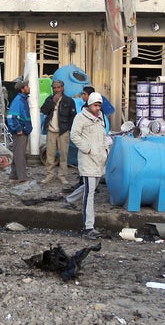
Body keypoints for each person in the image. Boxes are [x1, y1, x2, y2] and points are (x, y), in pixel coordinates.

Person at [70, 92, 108, 240]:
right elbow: (74, 136)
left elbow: (104, 136)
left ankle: (70, 200)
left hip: (99, 160)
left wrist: (106, 150)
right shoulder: (80, 118)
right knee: (90, 194)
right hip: (88, 160)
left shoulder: (100, 118)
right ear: (89, 104)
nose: (97, 108)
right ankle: (88, 227)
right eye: (95, 105)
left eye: (99, 105)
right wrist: (88, 149)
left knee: (89, 188)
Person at [40, 79, 76, 185]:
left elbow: (73, 116)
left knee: (64, 155)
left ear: (62, 88)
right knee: (50, 154)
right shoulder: (49, 99)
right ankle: (49, 174)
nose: (56, 89)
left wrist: (68, 129)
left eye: (58, 87)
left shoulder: (69, 101)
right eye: (54, 88)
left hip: (63, 131)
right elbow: (44, 110)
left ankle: (62, 175)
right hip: (51, 130)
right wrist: (53, 102)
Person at [6, 79, 32, 183]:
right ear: (22, 89)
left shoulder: (23, 99)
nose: (29, 88)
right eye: (27, 86)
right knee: (20, 156)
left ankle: (14, 176)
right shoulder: (18, 101)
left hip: (24, 131)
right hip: (20, 133)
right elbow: (11, 117)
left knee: (18, 154)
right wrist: (19, 130)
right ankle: (22, 178)